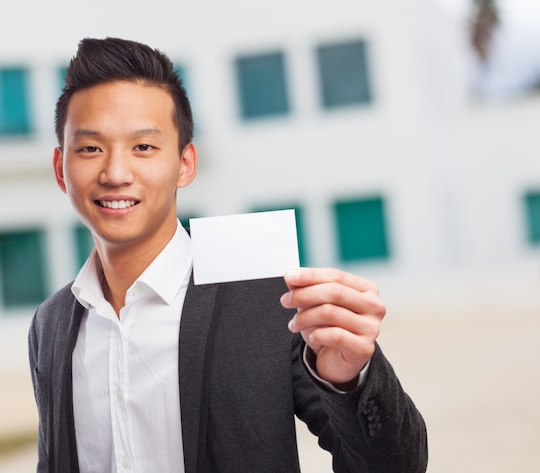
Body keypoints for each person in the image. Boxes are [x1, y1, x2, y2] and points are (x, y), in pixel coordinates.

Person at [28, 37, 428, 473]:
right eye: (90, 148)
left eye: (143, 147)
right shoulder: (50, 325)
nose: (115, 173)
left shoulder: (270, 300)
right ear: (60, 168)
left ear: (185, 164)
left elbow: (397, 466)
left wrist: (349, 379)